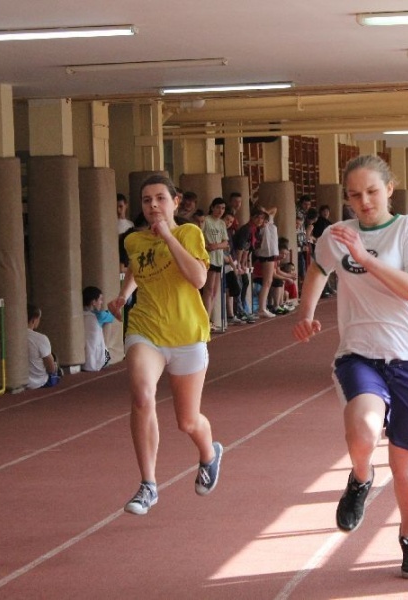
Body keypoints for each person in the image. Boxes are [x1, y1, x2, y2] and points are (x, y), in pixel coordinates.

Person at [293, 155, 408, 580]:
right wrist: (305, 312)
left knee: (404, 464)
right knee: (362, 426)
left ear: (389, 188)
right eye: (355, 195)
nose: (364, 201)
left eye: (372, 192)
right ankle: (360, 478)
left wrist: (365, 257)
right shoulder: (336, 236)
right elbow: (319, 267)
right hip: (360, 352)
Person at [108, 174, 223, 516]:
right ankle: (148, 484)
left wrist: (169, 237)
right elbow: (137, 268)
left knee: (187, 421)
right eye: (146, 200)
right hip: (147, 329)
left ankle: (209, 453)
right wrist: (124, 295)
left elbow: (199, 278)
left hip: (187, 333)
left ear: (175, 201)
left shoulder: (190, 234)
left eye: (160, 198)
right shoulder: (133, 240)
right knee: (142, 395)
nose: (153, 205)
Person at [201, 198, 230, 330]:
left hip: (218, 259)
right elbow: (199, 237)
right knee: (208, 289)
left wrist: (216, 246)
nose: (220, 211)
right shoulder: (206, 221)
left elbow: (225, 243)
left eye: (223, 208)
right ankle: (205, 320)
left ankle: (209, 318)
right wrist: (208, 246)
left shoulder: (222, 224)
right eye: (218, 207)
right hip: (208, 258)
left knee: (214, 292)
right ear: (212, 207)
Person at [26, 305, 62, 390]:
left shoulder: (11, 338)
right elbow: (51, 368)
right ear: (34, 319)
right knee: (53, 359)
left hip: (19, 381)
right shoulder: (41, 338)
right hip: (38, 382)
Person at [82, 286, 112, 372]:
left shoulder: (80, 315)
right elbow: (112, 317)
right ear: (93, 302)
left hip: (83, 360)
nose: (102, 302)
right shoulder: (100, 315)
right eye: (100, 299)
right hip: (97, 359)